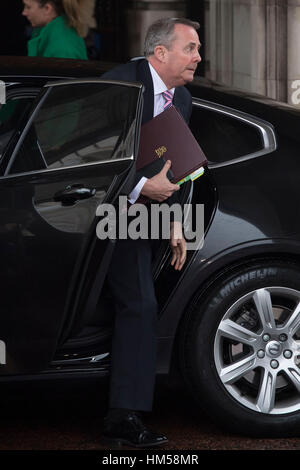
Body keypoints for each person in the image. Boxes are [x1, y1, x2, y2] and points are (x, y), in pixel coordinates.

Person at [101, 17, 201, 448]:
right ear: (160, 53)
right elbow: (93, 155)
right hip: (99, 209)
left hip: (143, 216)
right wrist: (142, 187)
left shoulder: (184, 98)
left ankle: (125, 414)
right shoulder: (119, 87)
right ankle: (123, 415)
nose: (198, 57)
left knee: (142, 304)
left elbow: (180, 165)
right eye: (191, 48)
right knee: (137, 303)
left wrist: (177, 220)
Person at [22, 0, 95, 59]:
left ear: (47, 8)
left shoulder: (62, 48)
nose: (24, 13)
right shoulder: (46, 30)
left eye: (28, 7)